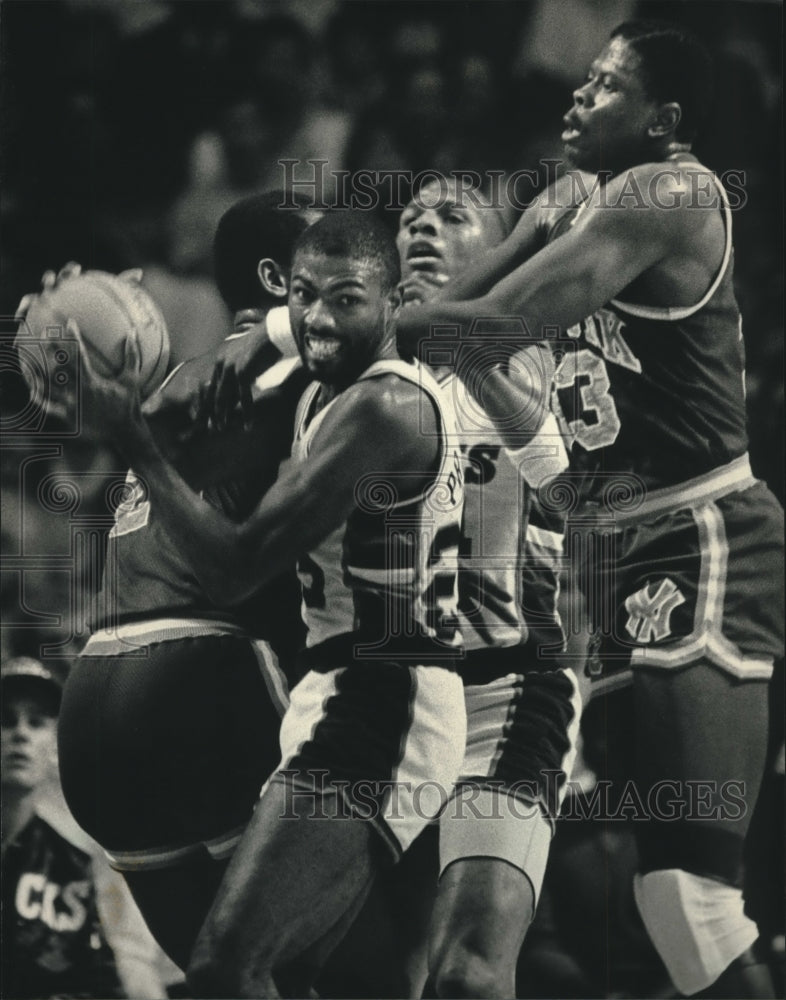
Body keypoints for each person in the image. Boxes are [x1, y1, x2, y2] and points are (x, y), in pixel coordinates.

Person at [396, 20, 784, 998]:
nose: (579, 96)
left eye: (607, 86)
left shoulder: (669, 191)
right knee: (655, 906)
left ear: (668, 120)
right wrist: (512, 247)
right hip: (616, 552)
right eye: (585, 78)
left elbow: (486, 328)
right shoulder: (598, 207)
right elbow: (465, 340)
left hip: (701, 534)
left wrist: (359, 318)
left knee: (695, 903)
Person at [61, 211, 467, 999]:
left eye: (344, 297)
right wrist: (59, 340)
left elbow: (236, 568)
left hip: (384, 697)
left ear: (387, 301)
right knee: (284, 978)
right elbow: (171, 451)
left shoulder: (378, 405)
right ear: (283, 289)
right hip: (319, 689)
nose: (318, 316)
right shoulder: (308, 388)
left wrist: (134, 433)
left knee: (237, 967)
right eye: (306, 296)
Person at [52, 192, 318, 970]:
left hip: (93, 702)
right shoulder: (303, 361)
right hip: (202, 676)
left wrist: (73, 324)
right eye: (325, 258)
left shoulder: (169, 386)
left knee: (223, 978)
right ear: (279, 279)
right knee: (355, 970)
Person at [396, 177, 580, 999]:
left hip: (502, 692)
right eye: (409, 220)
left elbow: (565, 480)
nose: (423, 230)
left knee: (466, 974)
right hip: (382, 701)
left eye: (451, 218)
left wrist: (453, 340)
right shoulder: (359, 361)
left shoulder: (528, 352)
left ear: (500, 250)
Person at [1, 656, 124, 1000]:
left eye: (37, 722)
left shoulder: (70, 871)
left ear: (54, 748)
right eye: (5, 721)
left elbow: (101, 986)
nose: (21, 733)